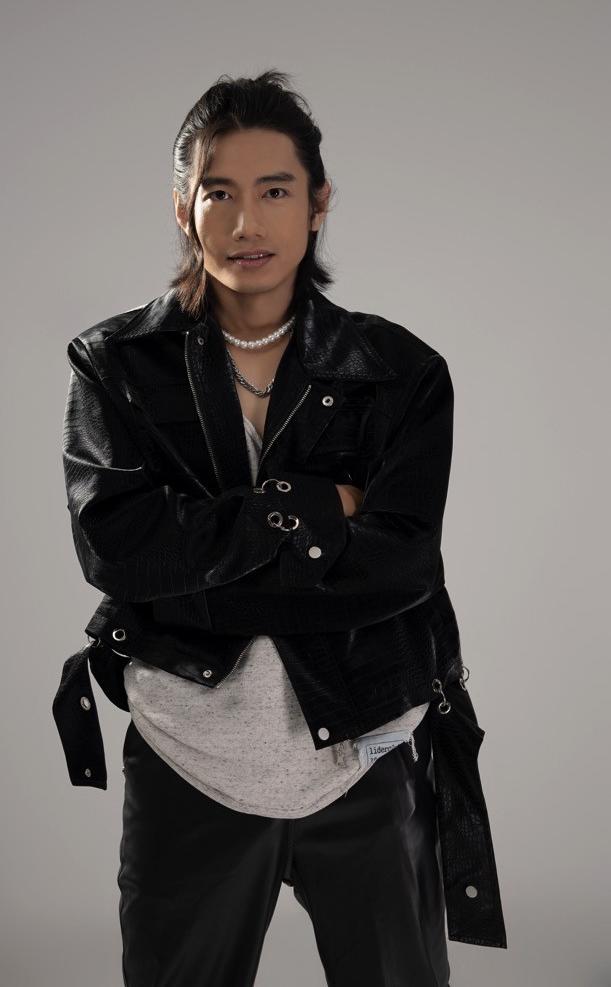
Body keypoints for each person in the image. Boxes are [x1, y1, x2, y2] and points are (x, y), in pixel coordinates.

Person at [54, 69, 507, 987]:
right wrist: (316, 509)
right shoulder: (117, 366)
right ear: (183, 208)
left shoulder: (399, 371)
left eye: (273, 191)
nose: (245, 222)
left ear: (317, 203)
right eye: (218, 193)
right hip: (188, 760)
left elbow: (401, 566)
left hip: (368, 752)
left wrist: (203, 560)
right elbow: (118, 551)